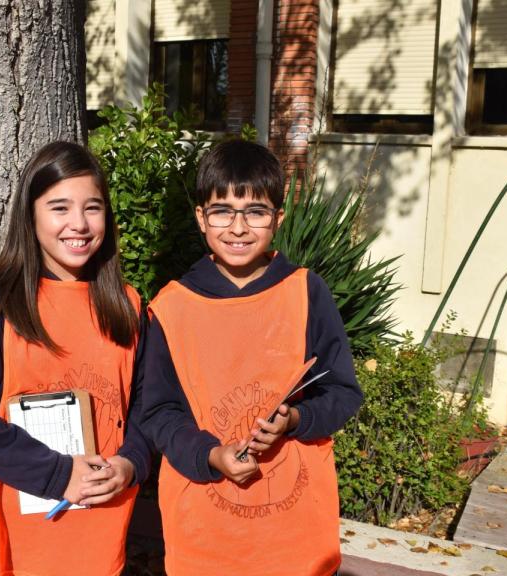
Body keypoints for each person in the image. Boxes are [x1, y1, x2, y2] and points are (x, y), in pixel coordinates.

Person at [141, 140, 363, 575]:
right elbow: (158, 413)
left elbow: (342, 392)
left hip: (295, 537)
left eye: (256, 211)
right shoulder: (171, 307)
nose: (239, 227)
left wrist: (295, 421)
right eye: (222, 210)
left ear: (277, 218)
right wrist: (209, 454)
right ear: (201, 217)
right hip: (204, 532)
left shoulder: (305, 292)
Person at [0, 142, 153, 576]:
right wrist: (57, 475)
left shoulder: (127, 307)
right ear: (31, 215)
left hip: (97, 538)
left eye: (92, 208)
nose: (78, 223)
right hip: (11, 550)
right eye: (60, 208)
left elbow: (150, 409)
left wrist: (131, 463)